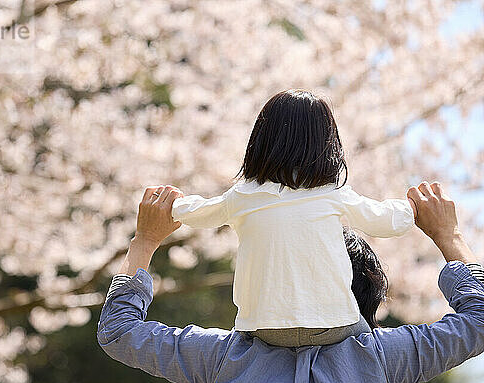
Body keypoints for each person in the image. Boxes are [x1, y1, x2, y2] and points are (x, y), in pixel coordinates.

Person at [98, 182, 484, 383]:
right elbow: (479, 320)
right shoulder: (383, 361)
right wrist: (449, 237)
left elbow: (119, 332)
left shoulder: (224, 359)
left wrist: (144, 242)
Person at [171, 90, 415, 346]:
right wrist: (413, 209)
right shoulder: (332, 194)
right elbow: (384, 221)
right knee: (369, 340)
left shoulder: (242, 196)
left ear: (261, 140)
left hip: (261, 327)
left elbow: (200, 214)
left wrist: (174, 205)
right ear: (327, 143)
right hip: (331, 323)